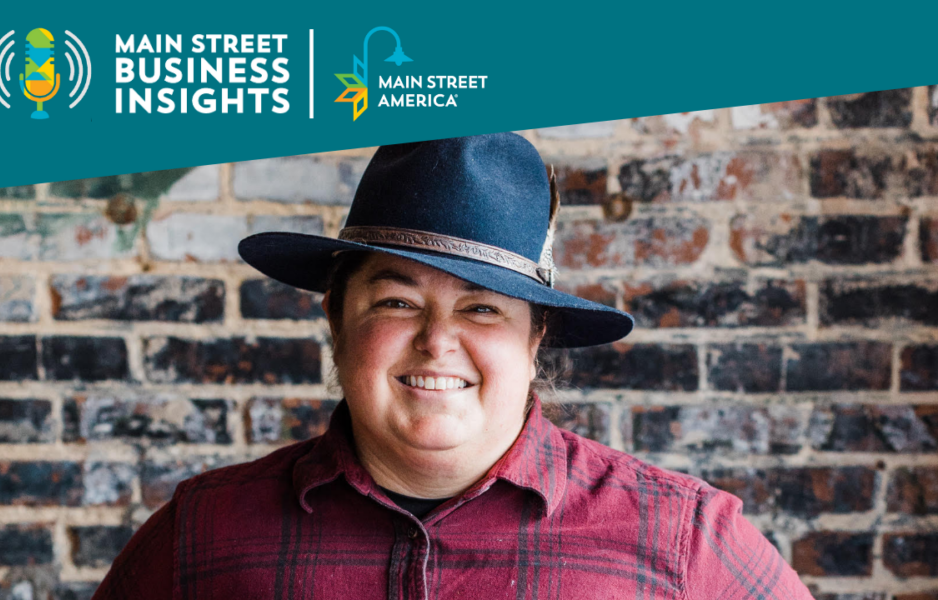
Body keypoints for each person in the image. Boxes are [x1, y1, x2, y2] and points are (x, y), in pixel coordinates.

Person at [93, 133, 813, 599]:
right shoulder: (204, 536)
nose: (438, 340)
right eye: (397, 302)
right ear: (336, 321)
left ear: (535, 341)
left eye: (482, 310)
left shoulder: (683, 541)